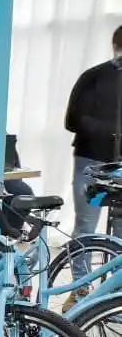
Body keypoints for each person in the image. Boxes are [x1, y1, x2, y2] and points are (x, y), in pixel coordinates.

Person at [61, 24, 122, 310]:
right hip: (92, 160)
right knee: (86, 225)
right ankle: (80, 289)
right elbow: (73, 119)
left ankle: (115, 292)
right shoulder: (94, 77)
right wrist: (111, 131)